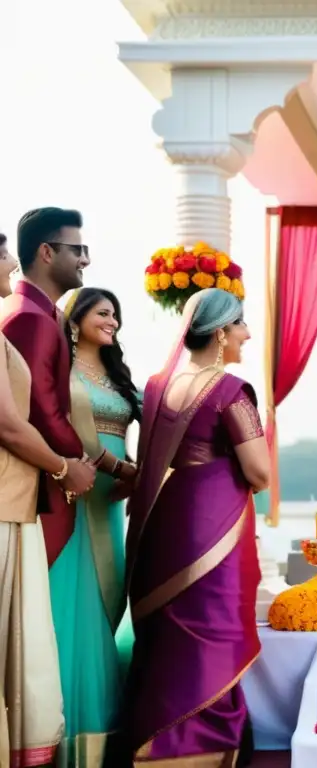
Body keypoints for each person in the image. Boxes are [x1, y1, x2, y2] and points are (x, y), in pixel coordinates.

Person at [120, 288, 268, 766]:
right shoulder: (230, 391)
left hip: (165, 523)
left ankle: (156, 743)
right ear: (222, 333)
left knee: (171, 631)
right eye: (241, 324)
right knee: (214, 628)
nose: (247, 333)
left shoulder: (159, 386)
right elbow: (260, 472)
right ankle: (206, 747)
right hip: (213, 529)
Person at [0, 233, 94, 767]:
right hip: (14, 502)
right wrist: (67, 467)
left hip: (21, 500)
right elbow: (19, 421)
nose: (10, 264)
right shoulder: (28, 319)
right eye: (3, 253)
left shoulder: (26, 317)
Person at [52, 288, 141, 765]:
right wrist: (124, 470)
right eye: (103, 313)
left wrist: (142, 473)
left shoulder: (118, 376)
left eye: (116, 315)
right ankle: (69, 734)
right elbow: (62, 430)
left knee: (110, 602)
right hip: (77, 495)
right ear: (76, 318)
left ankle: (105, 738)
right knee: (75, 609)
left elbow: (152, 427)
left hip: (113, 504)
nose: (112, 322)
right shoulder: (60, 372)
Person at [0, 207, 92, 568]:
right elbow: (38, 410)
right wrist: (76, 464)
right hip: (36, 485)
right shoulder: (28, 317)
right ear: (47, 252)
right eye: (77, 250)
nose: (85, 259)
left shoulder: (47, 314)